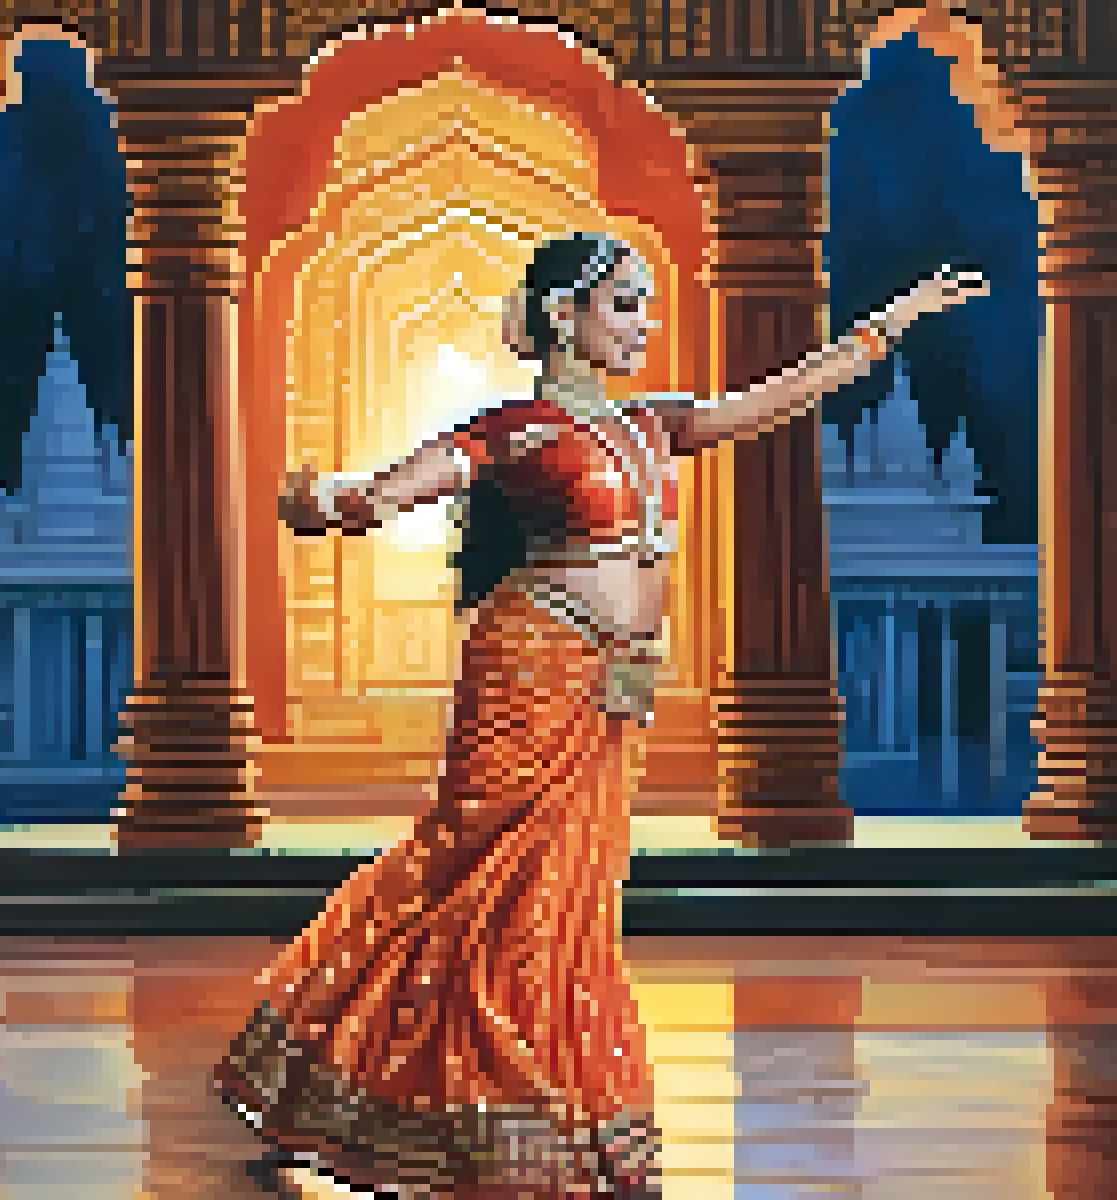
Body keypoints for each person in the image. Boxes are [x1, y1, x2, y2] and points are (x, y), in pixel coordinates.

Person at [217, 233, 988, 1198]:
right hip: (527, 671)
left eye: (646, 304)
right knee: (473, 876)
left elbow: (772, 401)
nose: (644, 324)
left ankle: (547, 1113)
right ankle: (383, 1078)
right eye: (624, 304)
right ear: (561, 317)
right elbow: (393, 492)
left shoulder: (654, 425)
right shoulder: (515, 433)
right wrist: (328, 500)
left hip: (612, 685)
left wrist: (891, 327)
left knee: (571, 896)